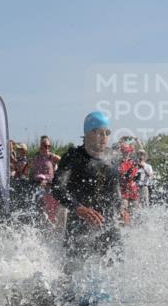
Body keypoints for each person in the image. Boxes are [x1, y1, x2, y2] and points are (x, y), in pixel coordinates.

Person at [51, 111, 128, 265]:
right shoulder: (73, 157)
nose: (104, 137)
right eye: (99, 132)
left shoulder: (112, 158)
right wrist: (79, 208)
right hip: (79, 225)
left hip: (107, 225)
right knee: (71, 274)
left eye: (107, 133)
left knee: (118, 268)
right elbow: (58, 188)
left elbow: (115, 188)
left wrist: (121, 207)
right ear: (87, 133)